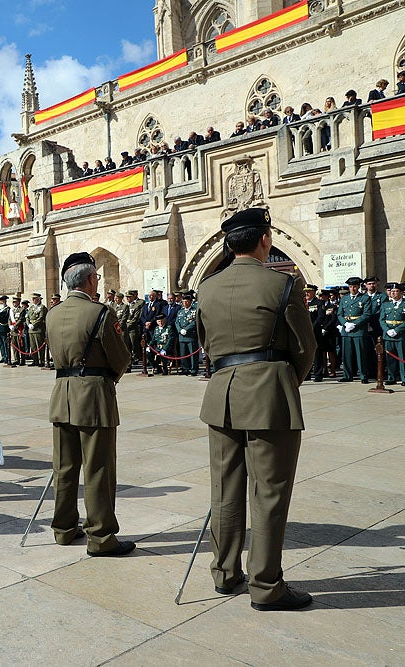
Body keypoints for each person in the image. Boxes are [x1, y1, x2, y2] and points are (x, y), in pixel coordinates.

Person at [195, 207, 315, 611]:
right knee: (268, 492)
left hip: (221, 394)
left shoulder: (206, 287)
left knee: (225, 489)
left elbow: (206, 344)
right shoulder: (281, 284)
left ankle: (225, 573)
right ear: (265, 239)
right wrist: (283, 380)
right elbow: (305, 348)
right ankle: (265, 584)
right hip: (268, 391)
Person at [47, 252, 133, 555]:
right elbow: (120, 357)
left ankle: (64, 529)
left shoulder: (52, 313)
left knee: (65, 469)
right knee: (98, 469)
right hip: (94, 396)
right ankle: (101, 537)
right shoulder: (100, 312)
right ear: (90, 280)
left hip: (62, 394)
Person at [337, 276, 371, 383]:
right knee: (346, 354)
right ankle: (347, 375)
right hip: (346, 330)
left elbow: (366, 314)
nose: (352, 289)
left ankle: (363, 375)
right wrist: (345, 323)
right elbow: (339, 314)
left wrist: (354, 324)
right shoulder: (344, 299)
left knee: (360, 354)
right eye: (351, 286)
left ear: (358, 287)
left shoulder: (364, 298)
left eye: (355, 286)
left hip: (358, 330)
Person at [379, 282, 404, 384]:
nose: (393, 293)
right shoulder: (386, 304)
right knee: (390, 358)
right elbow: (381, 320)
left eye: (396, 291)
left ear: (401, 292)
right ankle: (391, 378)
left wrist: (397, 330)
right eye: (392, 291)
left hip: (401, 335)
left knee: (402, 357)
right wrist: (387, 330)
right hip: (388, 335)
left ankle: (404, 378)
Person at [175, 291, 199, 375]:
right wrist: (179, 330)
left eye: (187, 302)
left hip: (191, 336)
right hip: (182, 336)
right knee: (183, 354)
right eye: (183, 302)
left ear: (190, 302)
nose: (185, 303)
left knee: (192, 354)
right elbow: (177, 322)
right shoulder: (180, 311)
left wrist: (187, 329)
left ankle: (193, 369)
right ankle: (185, 368)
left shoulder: (194, 311)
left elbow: (195, 321)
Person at [27, 293, 48, 367]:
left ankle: (41, 360)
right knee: (33, 346)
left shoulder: (42, 307)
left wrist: (34, 324)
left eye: (34, 298)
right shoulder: (31, 307)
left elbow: (41, 317)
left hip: (38, 329)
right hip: (31, 330)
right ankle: (35, 360)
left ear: (39, 299)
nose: (33, 300)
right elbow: (27, 317)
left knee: (39, 346)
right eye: (32, 299)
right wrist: (28, 324)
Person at [124, 289, 144, 368]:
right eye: (127, 297)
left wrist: (128, 325)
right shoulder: (125, 306)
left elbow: (136, 317)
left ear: (133, 297)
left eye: (129, 297)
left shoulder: (136, 305)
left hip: (132, 328)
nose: (128, 298)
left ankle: (136, 358)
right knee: (127, 345)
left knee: (134, 344)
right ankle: (130, 359)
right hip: (125, 327)